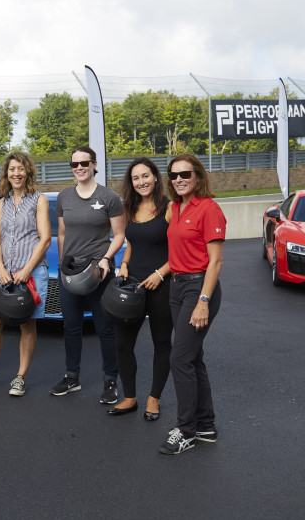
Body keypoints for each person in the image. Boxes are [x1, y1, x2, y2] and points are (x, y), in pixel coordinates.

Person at [0, 151, 51, 397]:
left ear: (28, 172)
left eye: (21, 169)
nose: (16, 173)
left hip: (32, 272)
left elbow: (45, 239)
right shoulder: (2, 203)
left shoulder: (39, 200)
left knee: (27, 325)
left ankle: (20, 377)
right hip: (3, 273)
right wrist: (1, 269)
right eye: (12, 169)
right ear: (6, 173)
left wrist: (26, 270)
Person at [159, 153, 225, 455]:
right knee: (193, 358)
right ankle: (206, 424)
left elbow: (216, 262)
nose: (179, 179)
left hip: (199, 288)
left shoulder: (209, 209)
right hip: (176, 287)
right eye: (173, 175)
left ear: (197, 176)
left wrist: (203, 302)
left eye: (185, 174)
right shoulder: (174, 208)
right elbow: (174, 250)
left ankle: (186, 431)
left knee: (180, 359)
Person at [52, 145, 126, 404]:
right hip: (71, 274)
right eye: (75, 164)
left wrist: (106, 259)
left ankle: (110, 381)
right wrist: (63, 262)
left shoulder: (109, 197)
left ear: (95, 164)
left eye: (85, 163)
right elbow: (62, 233)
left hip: (99, 271)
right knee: (71, 327)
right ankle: (72, 376)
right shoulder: (64, 197)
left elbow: (119, 235)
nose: (80, 168)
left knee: (105, 329)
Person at [109, 158, 173, 418]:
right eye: (136, 178)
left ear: (155, 177)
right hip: (133, 286)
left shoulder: (169, 208)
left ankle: (154, 400)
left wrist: (160, 273)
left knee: (161, 344)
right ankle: (129, 397)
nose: (141, 182)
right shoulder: (130, 207)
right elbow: (131, 242)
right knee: (123, 344)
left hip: (162, 284)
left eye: (145, 176)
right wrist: (123, 264)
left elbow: (181, 250)